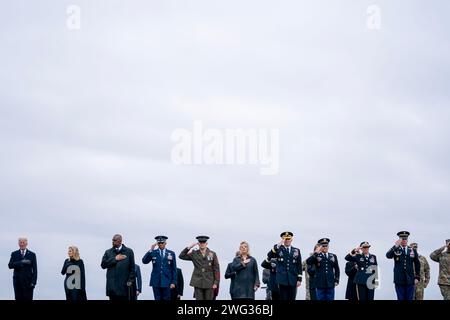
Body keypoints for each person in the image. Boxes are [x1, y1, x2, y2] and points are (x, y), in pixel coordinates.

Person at [179, 235, 220, 300]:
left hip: (209, 281)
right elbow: (181, 256)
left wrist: (216, 282)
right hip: (198, 281)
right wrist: (189, 247)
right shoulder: (194, 253)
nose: (202, 244)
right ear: (198, 244)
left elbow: (216, 269)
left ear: (206, 244)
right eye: (200, 243)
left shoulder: (212, 254)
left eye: (203, 243)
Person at [267, 232, 302, 300]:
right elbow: (269, 255)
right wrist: (278, 245)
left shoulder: (296, 250)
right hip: (282, 280)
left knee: (292, 298)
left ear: (291, 239)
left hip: (293, 279)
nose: (287, 240)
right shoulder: (278, 249)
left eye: (288, 238)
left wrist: (299, 279)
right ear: (282, 240)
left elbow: (299, 265)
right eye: (285, 239)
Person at [386, 231, 420, 300]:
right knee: (400, 298)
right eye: (402, 239)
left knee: (409, 298)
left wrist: (417, 277)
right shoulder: (396, 249)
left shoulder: (412, 250)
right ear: (399, 240)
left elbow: (417, 264)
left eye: (405, 239)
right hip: (399, 279)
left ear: (407, 240)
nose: (404, 241)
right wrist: (395, 246)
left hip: (410, 279)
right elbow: (388, 255)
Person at [101, 234, 136, 300]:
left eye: (114, 240)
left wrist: (130, 281)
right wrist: (115, 259)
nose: (112, 242)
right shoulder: (108, 252)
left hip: (124, 288)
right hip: (112, 288)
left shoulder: (129, 252)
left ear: (120, 241)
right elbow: (103, 265)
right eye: (112, 240)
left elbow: (132, 269)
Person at [142, 235, 177, 300]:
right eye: (159, 243)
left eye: (162, 243)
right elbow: (144, 261)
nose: (160, 244)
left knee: (167, 298)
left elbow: (174, 269)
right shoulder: (153, 252)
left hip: (167, 281)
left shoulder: (171, 253)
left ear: (165, 243)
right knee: (157, 298)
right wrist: (150, 250)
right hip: (156, 281)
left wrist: (173, 282)